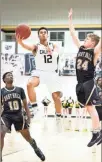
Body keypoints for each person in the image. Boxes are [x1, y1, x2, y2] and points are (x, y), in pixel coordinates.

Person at [68, 8, 102, 147]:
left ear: (93, 43)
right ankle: (97, 132)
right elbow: (72, 34)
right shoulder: (81, 48)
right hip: (80, 83)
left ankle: (96, 133)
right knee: (88, 108)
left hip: (88, 82)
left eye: (87, 38)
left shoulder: (94, 52)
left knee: (91, 108)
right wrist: (70, 20)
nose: (84, 39)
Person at [16, 27, 62, 121]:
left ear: (48, 35)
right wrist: (20, 42)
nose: (43, 33)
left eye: (45, 32)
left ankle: (58, 115)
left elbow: (56, 54)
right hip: (39, 71)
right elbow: (27, 47)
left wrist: (50, 50)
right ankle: (34, 107)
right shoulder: (36, 46)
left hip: (51, 73)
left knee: (56, 97)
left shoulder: (54, 45)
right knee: (30, 84)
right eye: (41, 32)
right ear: (38, 35)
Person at [1, 72, 45, 162]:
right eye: (8, 75)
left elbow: (25, 105)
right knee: (1, 133)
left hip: (18, 116)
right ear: (4, 80)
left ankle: (36, 149)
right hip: (6, 116)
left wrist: (29, 117)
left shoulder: (20, 90)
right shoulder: (2, 91)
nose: (10, 76)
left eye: (11, 75)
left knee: (28, 138)